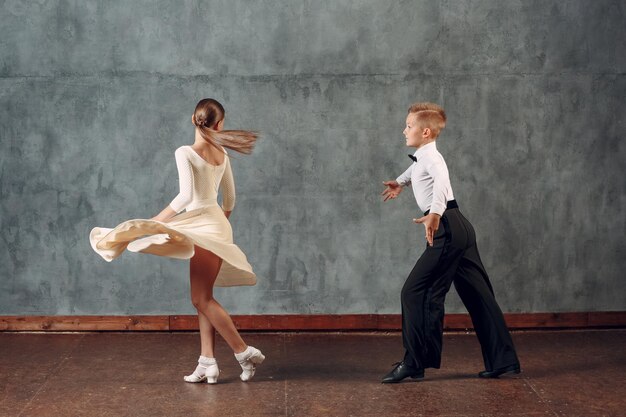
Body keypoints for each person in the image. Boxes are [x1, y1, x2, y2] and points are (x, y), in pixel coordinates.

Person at [90, 98, 265, 384]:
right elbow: (230, 200)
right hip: (216, 226)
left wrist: (155, 222)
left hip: (203, 228)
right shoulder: (222, 154)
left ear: (193, 119)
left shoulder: (185, 152)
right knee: (203, 298)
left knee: (200, 298)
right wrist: (217, 225)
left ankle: (244, 352)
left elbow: (185, 198)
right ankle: (207, 362)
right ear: (219, 124)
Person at [380, 102, 520, 383]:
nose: (404, 130)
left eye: (409, 126)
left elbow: (442, 181)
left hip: (446, 226)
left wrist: (433, 213)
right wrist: (400, 181)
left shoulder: (433, 158)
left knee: (414, 292)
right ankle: (503, 360)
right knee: (479, 295)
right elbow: (417, 170)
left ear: (426, 132)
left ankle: (414, 362)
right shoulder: (424, 156)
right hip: (460, 227)